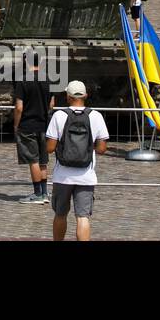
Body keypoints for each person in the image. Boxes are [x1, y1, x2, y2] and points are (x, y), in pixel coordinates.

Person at [45, 80, 109, 241]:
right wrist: (87, 149)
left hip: (62, 176)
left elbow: (50, 148)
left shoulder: (59, 115)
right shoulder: (96, 116)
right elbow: (102, 149)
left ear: (68, 96)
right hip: (86, 175)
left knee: (60, 214)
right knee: (83, 217)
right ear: (85, 95)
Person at [13, 51, 56, 204]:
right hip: (44, 125)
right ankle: (45, 193)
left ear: (27, 62)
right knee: (43, 160)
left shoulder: (23, 80)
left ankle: (37, 194)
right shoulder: (47, 79)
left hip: (27, 125)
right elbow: (52, 104)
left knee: (33, 160)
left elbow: (19, 107)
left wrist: (16, 125)